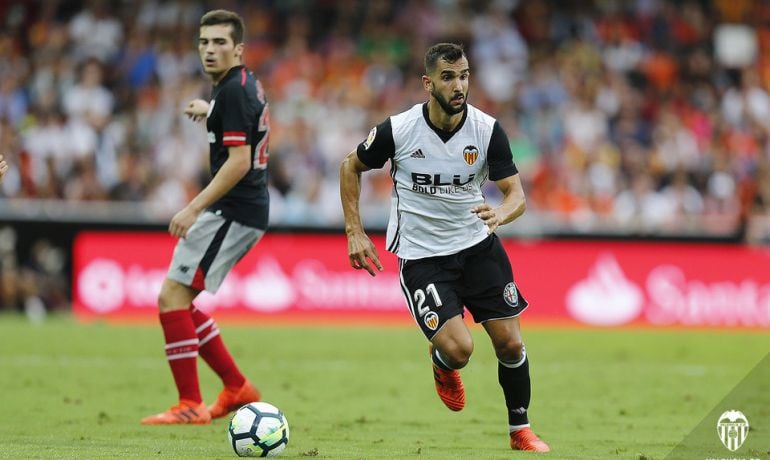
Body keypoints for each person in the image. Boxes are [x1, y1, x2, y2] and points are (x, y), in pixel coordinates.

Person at [340, 43, 550, 452]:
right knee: (460, 348)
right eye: (449, 77)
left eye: (465, 75)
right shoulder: (397, 131)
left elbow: (516, 196)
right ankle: (443, 363)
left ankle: (519, 431)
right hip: (423, 255)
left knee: (510, 342)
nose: (459, 86)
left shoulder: (487, 130)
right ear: (428, 83)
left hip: (477, 247)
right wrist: (354, 230)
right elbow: (351, 165)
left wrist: (501, 214)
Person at [141, 9, 269, 425]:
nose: (210, 50)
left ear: (238, 49)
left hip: (232, 209)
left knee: (171, 297)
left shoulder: (233, 92)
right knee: (180, 301)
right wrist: (211, 111)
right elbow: (244, 124)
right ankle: (236, 387)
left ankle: (190, 404)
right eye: (204, 42)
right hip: (244, 209)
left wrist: (193, 206)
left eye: (219, 43)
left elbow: (239, 161)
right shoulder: (239, 86)